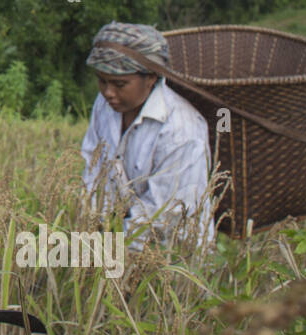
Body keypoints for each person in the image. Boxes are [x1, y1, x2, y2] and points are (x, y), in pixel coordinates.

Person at [80, 22, 214, 250]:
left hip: (173, 252)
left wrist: (112, 249)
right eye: (102, 81)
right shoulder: (104, 106)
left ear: (151, 78)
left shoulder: (182, 128)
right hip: (115, 242)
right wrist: (95, 226)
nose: (108, 92)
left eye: (120, 84)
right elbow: (93, 168)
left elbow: (164, 213)